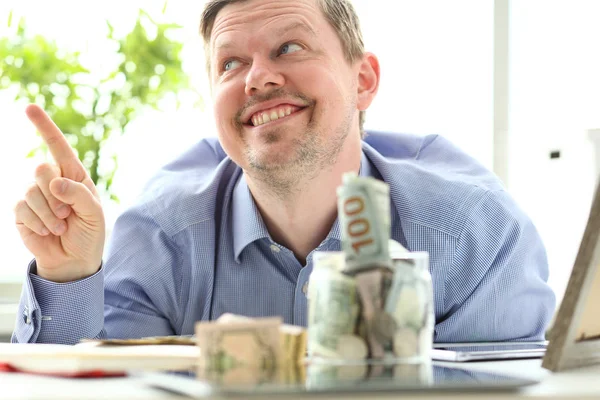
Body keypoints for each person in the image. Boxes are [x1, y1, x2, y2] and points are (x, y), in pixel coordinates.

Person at [12, 0, 555, 345]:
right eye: (230, 63)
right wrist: (69, 274)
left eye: (289, 46)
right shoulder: (159, 238)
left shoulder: (474, 236)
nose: (258, 78)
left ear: (363, 80)